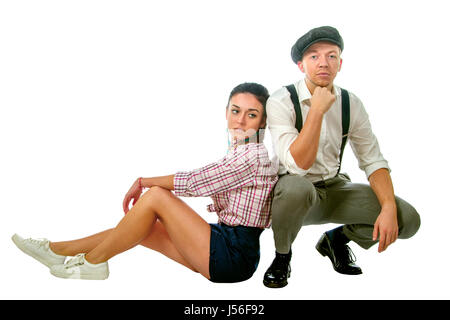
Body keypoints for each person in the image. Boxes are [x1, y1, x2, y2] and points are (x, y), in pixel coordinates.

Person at [12, 82, 278, 282]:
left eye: (251, 114)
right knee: (141, 227)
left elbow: (197, 181)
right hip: (222, 242)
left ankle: (94, 263)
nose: (241, 120)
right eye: (235, 111)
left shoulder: (253, 155)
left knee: (156, 196)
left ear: (263, 120)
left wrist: (143, 182)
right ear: (226, 112)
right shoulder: (240, 150)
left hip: (233, 256)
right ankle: (55, 250)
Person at [263, 26, 421, 288]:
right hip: (293, 195)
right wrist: (317, 111)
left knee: (408, 220)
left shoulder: (351, 103)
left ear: (340, 63)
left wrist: (389, 207)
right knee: (296, 188)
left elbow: (372, 160)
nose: (323, 63)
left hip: (335, 188)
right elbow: (297, 165)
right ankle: (282, 256)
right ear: (301, 65)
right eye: (314, 56)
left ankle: (336, 240)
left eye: (331, 55)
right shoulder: (282, 100)